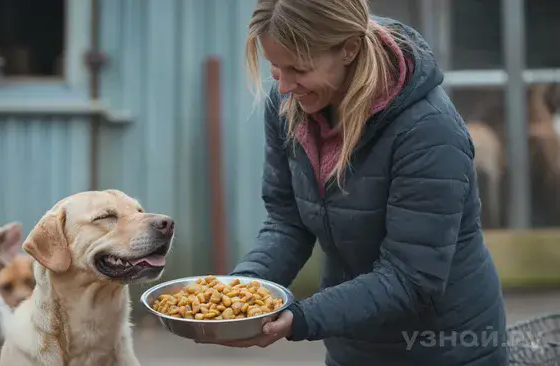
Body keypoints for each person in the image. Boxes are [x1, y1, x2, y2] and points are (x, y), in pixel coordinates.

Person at [201, 0, 509, 365]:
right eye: (274, 67)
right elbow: (288, 223)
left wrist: (301, 319)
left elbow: (411, 278)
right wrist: (242, 294)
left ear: (348, 48)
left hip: (446, 348)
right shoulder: (290, 108)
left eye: (298, 68)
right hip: (353, 346)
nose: (282, 86)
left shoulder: (428, 130)